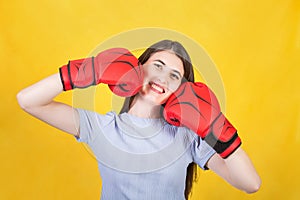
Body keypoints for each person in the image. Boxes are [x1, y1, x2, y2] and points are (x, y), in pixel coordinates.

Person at [17, 40, 261, 199]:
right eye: (157, 66)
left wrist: (218, 128)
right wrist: (86, 71)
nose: (163, 78)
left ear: (182, 89)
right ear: (137, 67)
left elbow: (250, 184)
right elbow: (28, 100)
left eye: (174, 75)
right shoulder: (102, 128)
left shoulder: (187, 137)